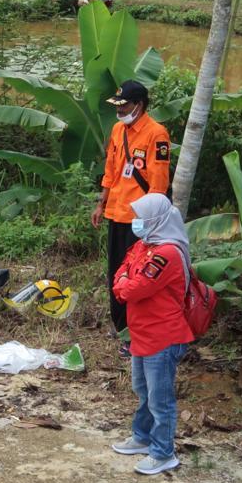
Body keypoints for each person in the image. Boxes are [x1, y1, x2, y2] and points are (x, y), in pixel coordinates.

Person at [111, 194, 193, 475]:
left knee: (161, 400)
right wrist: (124, 281)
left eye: (141, 217)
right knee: (143, 391)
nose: (137, 222)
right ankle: (142, 438)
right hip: (142, 334)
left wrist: (124, 284)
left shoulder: (166, 253)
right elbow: (120, 272)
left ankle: (163, 453)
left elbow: (132, 289)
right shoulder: (144, 245)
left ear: (157, 219)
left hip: (163, 337)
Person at [91, 80, 172, 356]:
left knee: (137, 279)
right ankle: (120, 325)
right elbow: (111, 170)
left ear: (139, 105)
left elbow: (159, 184)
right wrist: (101, 203)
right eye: (118, 105)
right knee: (116, 272)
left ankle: (135, 335)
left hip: (141, 220)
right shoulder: (117, 130)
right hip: (117, 213)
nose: (120, 110)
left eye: (124, 105)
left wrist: (152, 221)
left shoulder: (156, 134)